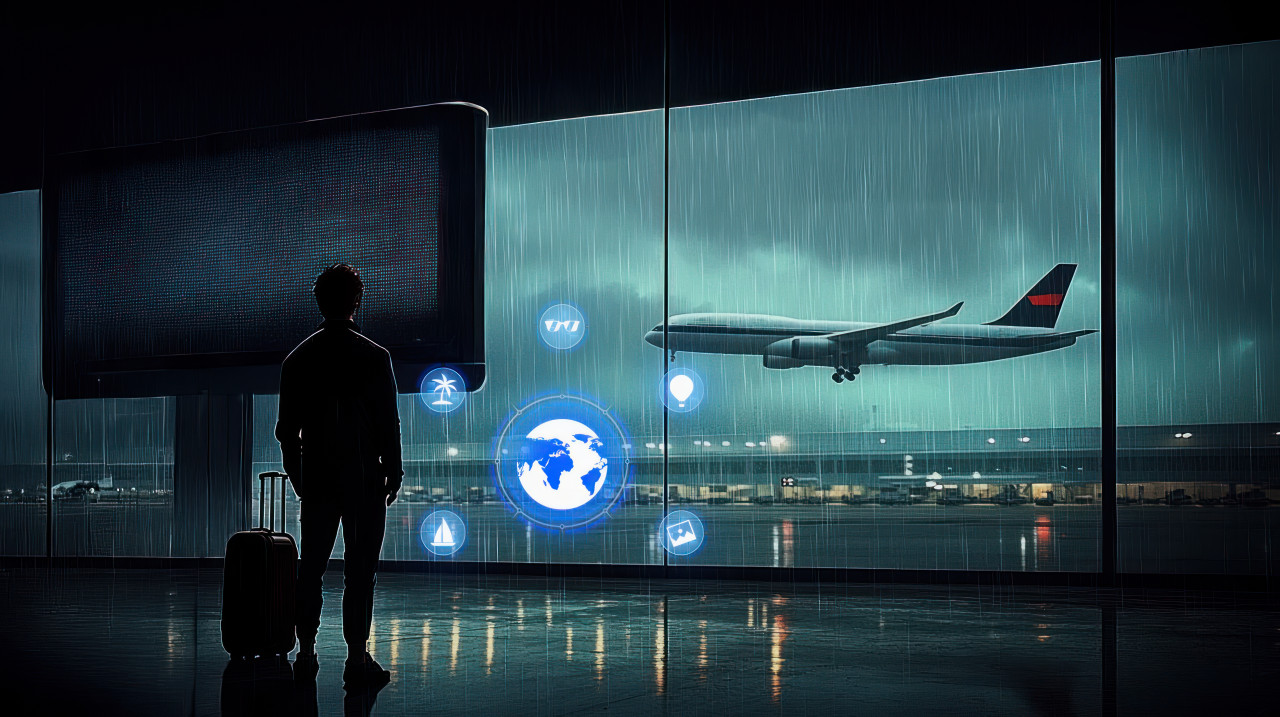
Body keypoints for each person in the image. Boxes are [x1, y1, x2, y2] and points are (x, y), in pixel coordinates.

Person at [275, 263, 403, 687]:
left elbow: (285, 432)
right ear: (356, 301)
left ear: (319, 301)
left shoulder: (298, 359)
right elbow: (388, 423)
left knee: (309, 568)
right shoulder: (374, 355)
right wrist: (394, 469)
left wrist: (300, 477)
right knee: (360, 571)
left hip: (318, 481)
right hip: (365, 481)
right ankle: (356, 659)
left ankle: (306, 652)